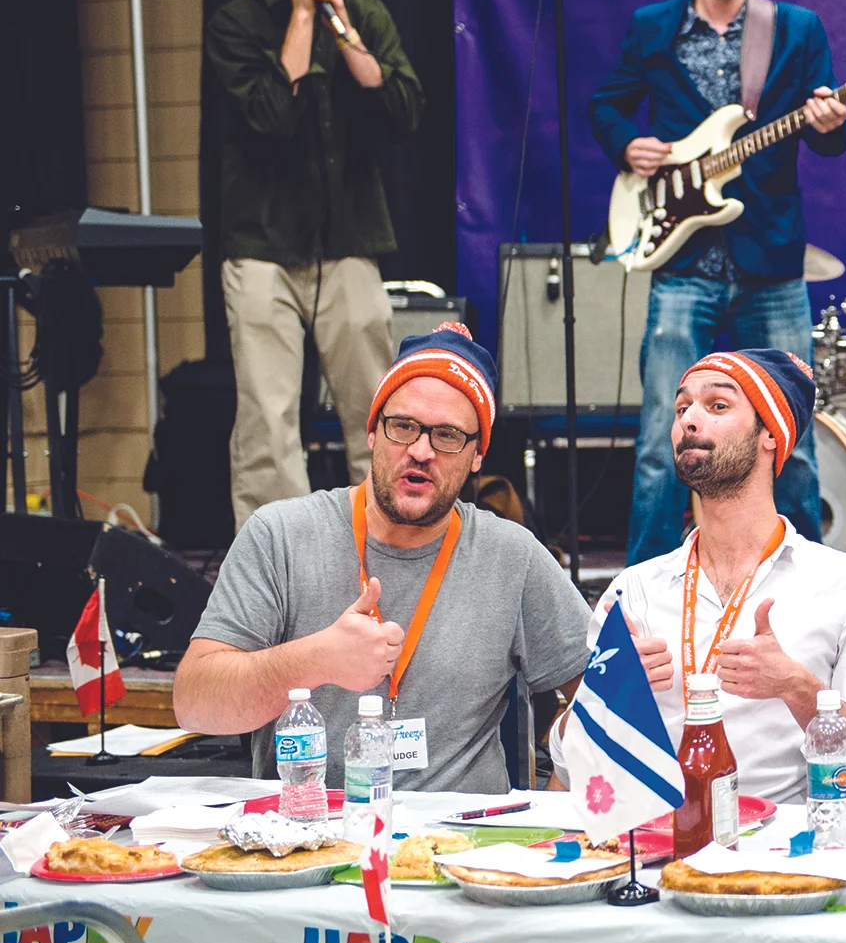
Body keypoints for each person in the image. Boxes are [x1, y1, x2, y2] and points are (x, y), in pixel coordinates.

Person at [177, 324, 591, 793]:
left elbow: (614, 705)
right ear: (372, 431)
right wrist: (315, 659)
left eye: (449, 435)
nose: (420, 451)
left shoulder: (512, 556)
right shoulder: (281, 535)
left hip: (460, 851)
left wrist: (553, 815)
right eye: (403, 426)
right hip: (311, 841)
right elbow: (194, 703)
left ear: (478, 456)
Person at [589, 0, 846, 565]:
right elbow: (608, 104)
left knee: (788, 435)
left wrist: (831, 120)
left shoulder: (795, 29)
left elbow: (827, 140)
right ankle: (643, 589)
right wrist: (628, 145)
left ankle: (807, 583)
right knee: (660, 441)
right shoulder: (654, 26)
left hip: (768, 256)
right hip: (681, 259)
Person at [559, 349, 846, 804]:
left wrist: (799, 689)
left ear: (769, 435)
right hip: (661, 846)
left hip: (786, 855)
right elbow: (570, 766)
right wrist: (603, 697)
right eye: (682, 408)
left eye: (717, 406)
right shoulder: (635, 590)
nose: (688, 421)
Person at [205, 0, 423, 529]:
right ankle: (280, 564)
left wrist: (342, 28)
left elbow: (405, 111)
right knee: (268, 417)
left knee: (377, 408)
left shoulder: (364, 12)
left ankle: (388, 546)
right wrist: (302, 15)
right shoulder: (237, 22)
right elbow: (271, 117)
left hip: (348, 238)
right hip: (261, 243)